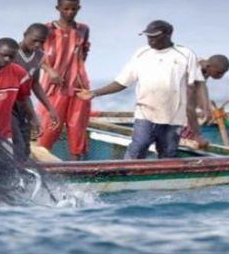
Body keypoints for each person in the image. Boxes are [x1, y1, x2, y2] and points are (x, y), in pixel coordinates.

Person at [77, 20, 203, 159]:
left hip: (174, 115)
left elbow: (194, 88)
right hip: (145, 112)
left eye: (155, 36)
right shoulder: (141, 54)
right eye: (148, 36)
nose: (150, 40)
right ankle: (126, 175)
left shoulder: (185, 54)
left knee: (168, 152)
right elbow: (122, 82)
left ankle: (162, 179)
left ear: (168, 34)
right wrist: (94, 93)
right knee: (139, 146)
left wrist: (196, 129)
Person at [37, 0, 91, 161]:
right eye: (66, 9)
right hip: (53, 86)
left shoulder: (83, 29)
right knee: (50, 124)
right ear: (58, 8)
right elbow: (32, 54)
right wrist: (50, 70)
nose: (69, 12)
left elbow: (84, 52)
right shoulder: (46, 29)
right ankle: (41, 163)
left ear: (78, 9)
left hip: (79, 86)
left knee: (77, 127)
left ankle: (77, 166)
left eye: (73, 9)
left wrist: (76, 71)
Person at [12, 23, 59, 159]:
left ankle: (23, 177)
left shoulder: (39, 56)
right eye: (34, 40)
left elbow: (35, 83)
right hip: (8, 104)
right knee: (17, 144)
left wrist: (50, 108)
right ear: (25, 35)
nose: (38, 44)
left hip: (24, 104)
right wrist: (33, 115)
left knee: (25, 147)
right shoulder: (12, 52)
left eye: (42, 41)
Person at [183, 54, 229, 146]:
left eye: (223, 73)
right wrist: (203, 109)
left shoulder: (205, 70)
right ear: (209, 67)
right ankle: (194, 136)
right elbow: (189, 97)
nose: (221, 76)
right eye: (218, 73)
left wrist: (206, 108)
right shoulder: (193, 69)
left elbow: (201, 89)